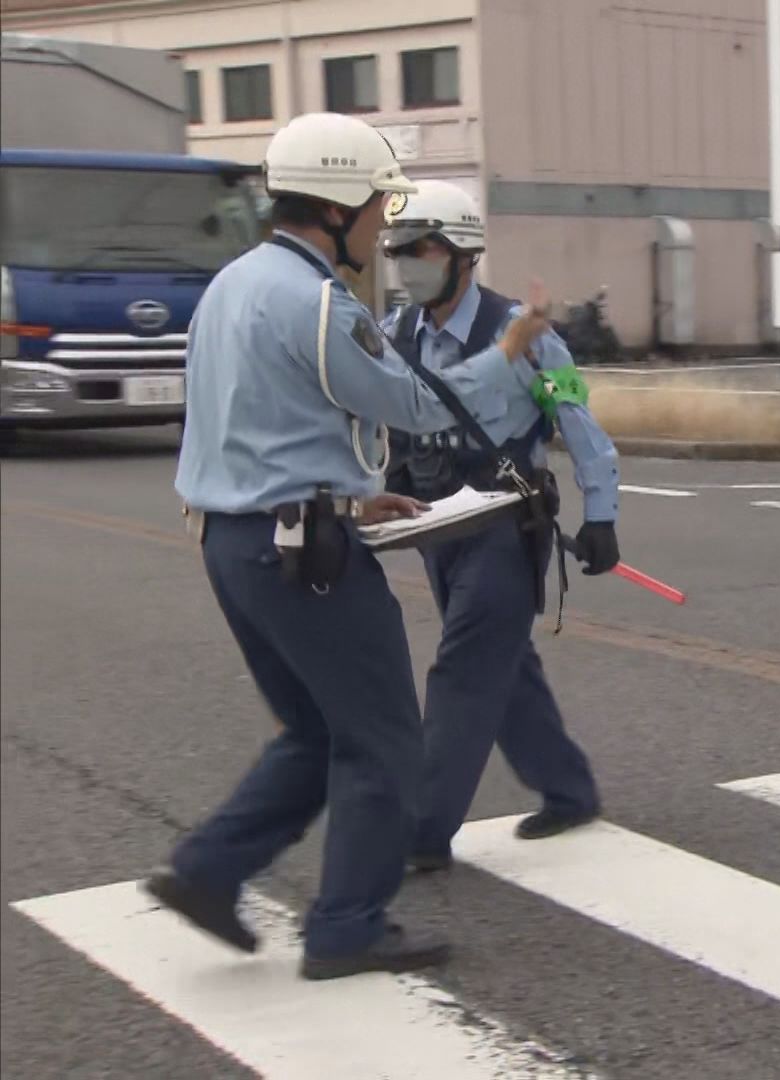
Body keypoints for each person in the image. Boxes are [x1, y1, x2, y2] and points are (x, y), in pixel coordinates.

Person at [150, 112, 555, 980]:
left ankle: (209, 871)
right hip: (306, 555)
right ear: (338, 206)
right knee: (382, 739)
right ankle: (346, 926)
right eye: (379, 204)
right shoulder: (319, 300)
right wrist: (510, 351)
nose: (386, 227)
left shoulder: (231, 285)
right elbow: (418, 403)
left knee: (312, 730)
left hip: (237, 541)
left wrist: (352, 495)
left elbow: (255, 424)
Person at [376, 180, 620, 872]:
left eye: (422, 248)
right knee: (502, 666)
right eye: (399, 249)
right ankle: (567, 789)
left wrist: (600, 514)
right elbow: (392, 429)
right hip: (435, 527)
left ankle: (421, 831)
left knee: (463, 668)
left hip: (505, 525)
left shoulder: (529, 337)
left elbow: (580, 425)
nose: (407, 261)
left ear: (462, 254)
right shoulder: (396, 336)